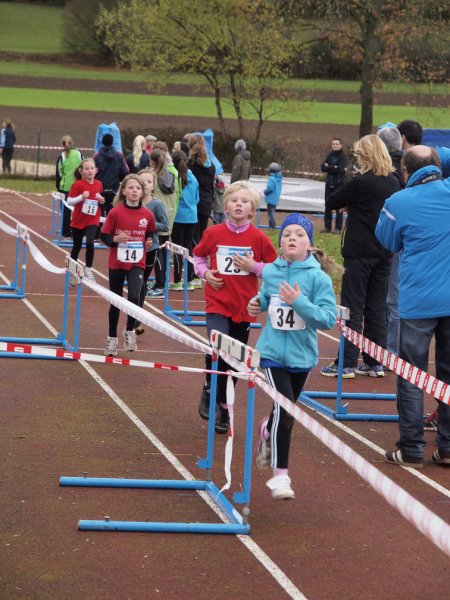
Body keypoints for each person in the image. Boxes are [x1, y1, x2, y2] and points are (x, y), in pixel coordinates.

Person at [248, 214, 338, 499]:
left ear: (309, 244)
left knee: (282, 413)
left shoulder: (318, 278)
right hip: (271, 354)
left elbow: (327, 319)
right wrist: (257, 303)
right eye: (287, 234)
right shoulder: (271, 272)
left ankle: (266, 430)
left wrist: (298, 302)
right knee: (286, 410)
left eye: (299, 234)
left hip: (302, 357)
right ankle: (280, 477)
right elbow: (266, 296)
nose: (292, 238)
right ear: (280, 243)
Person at [375, 146, 450, 468]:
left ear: (405, 171)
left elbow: (388, 241)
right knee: (448, 373)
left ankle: (411, 447)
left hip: (418, 300)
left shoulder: (397, 202)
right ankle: (448, 447)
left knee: (411, 374)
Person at [193, 181, 278, 433]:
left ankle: (223, 403)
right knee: (219, 347)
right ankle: (213, 391)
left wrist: (254, 267)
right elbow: (198, 256)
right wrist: (205, 273)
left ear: (252, 209)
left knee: (236, 359)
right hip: (217, 302)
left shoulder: (259, 238)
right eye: (234, 200)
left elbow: (274, 269)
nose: (239, 205)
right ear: (226, 206)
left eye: (244, 201)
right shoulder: (213, 233)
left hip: (244, 307)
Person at [320, 134, 400, 379]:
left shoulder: (360, 183)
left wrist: (352, 203)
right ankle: (375, 362)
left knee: (352, 307)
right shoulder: (394, 182)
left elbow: (331, 201)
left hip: (359, 251)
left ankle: (346, 362)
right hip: (384, 251)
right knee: (376, 308)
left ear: (364, 156)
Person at [100, 174, 156, 356]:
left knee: (134, 297)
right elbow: (104, 236)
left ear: (143, 192)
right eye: (131, 188)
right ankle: (111, 338)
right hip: (117, 262)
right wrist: (115, 239)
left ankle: (130, 330)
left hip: (137, 262)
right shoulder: (115, 212)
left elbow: (150, 233)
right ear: (123, 191)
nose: (134, 191)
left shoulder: (147, 214)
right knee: (116, 301)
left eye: (138, 188)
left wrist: (148, 241)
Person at [377, 126, 404, 355]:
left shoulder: (391, 173)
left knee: (392, 298)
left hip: (394, 240)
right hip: (399, 239)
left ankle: (392, 351)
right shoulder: (404, 167)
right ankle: (389, 347)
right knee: (391, 297)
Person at [135, 169, 169, 335]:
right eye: (142, 182)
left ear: (153, 185)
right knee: (135, 283)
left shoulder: (156, 204)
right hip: (132, 248)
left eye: (148, 182)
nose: (145, 185)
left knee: (141, 283)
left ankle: (136, 319)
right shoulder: (131, 203)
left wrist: (149, 224)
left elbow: (165, 225)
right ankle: (131, 315)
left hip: (150, 248)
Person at [146, 148, 179, 298]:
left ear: (152, 162)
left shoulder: (152, 177)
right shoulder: (172, 175)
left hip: (156, 215)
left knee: (157, 252)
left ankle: (160, 286)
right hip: (169, 214)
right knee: (163, 251)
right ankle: (161, 282)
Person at [66, 158, 105, 285]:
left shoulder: (99, 184)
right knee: (76, 246)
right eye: (87, 169)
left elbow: (100, 199)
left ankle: (88, 270)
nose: (90, 171)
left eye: (92, 168)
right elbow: (69, 201)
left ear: (96, 170)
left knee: (89, 242)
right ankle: (73, 272)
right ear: (81, 171)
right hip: (78, 220)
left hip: (92, 219)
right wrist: (81, 197)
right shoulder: (78, 184)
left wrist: (101, 200)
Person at [169, 150, 199, 291]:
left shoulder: (174, 177)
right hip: (192, 216)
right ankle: (190, 280)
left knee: (177, 248)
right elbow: (197, 198)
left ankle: (177, 280)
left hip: (178, 217)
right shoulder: (193, 178)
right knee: (188, 248)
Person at [188, 133, 216, 245]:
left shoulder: (190, 164)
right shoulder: (211, 165)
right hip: (207, 202)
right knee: (202, 235)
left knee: (193, 237)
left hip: (194, 202)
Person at [94, 133, 129, 216]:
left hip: (100, 188)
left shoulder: (97, 156)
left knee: (100, 211)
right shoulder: (119, 156)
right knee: (113, 211)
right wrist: (119, 180)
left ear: (102, 142)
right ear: (112, 142)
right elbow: (125, 170)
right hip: (114, 188)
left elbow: (93, 171)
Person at [55, 135, 83, 238]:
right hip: (78, 186)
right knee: (79, 209)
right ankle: (78, 229)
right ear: (72, 143)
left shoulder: (62, 156)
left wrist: (58, 186)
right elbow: (83, 167)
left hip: (66, 187)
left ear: (62, 145)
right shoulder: (79, 154)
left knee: (66, 210)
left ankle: (66, 231)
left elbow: (59, 172)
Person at [320, 138, 348, 233]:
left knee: (339, 206)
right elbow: (322, 167)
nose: (335, 145)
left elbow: (340, 169)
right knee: (328, 205)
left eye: (336, 144)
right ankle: (327, 227)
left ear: (340, 145)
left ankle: (338, 228)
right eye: (333, 144)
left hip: (339, 184)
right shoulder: (330, 155)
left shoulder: (343, 156)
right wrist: (333, 167)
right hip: (329, 183)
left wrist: (329, 167)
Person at [262, 162, 283, 229]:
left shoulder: (271, 178)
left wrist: (265, 192)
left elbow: (270, 188)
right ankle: (271, 227)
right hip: (276, 198)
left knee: (270, 213)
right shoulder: (279, 178)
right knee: (272, 212)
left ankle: (272, 227)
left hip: (271, 198)